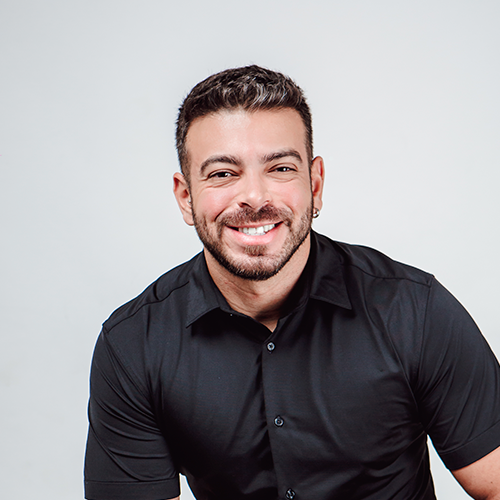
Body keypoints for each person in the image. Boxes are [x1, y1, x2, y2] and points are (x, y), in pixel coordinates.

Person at [84, 65, 500, 500]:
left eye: (280, 168)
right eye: (223, 174)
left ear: (315, 185)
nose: (255, 197)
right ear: (186, 197)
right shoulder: (133, 345)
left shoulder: (414, 311)